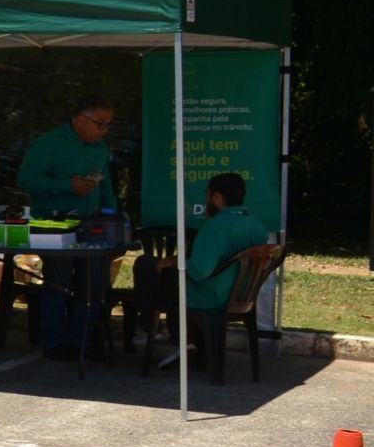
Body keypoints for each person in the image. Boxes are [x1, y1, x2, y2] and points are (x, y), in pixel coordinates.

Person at [17, 91, 116, 360]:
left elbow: (105, 184)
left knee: (93, 286)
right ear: (80, 120)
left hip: (91, 223)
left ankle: (80, 342)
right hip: (54, 224)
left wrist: (112, 214)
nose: (104, 130)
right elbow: (26, 179)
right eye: (100, 123)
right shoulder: (49, 144)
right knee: (58, 286)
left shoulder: (100, 149)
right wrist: (66, 185)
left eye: (108, 124)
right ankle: (54, 344)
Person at [137, 172, 271, 366]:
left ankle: (151, 329)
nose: (206, 200)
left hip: (209, 296)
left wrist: (175, 262)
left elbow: (200, 271)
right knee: (165, 275)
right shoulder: (256, 225)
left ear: (217, 197)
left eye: (208, 195)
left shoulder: (215, 227)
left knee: (146, 265)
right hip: (241, 296)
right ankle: (184, 340)